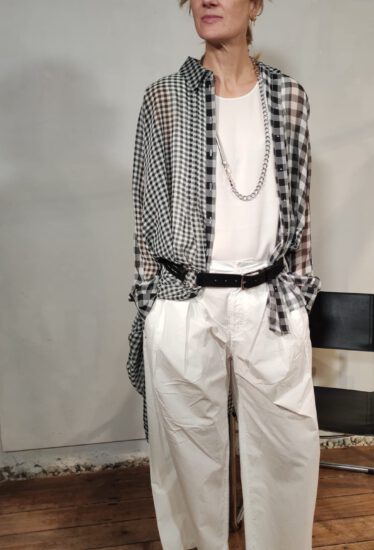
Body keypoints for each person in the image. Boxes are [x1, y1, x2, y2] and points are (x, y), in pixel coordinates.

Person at [125, 0, 321, 548]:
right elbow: (143, 210)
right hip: (184, 297)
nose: (208, 0)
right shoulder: (164, 98)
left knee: (287, 450)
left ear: (256, 5)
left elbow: (301, 206)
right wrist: (152, 303)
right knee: (187, 458)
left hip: (269, 297)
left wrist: (299, 290)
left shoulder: (289, 96)